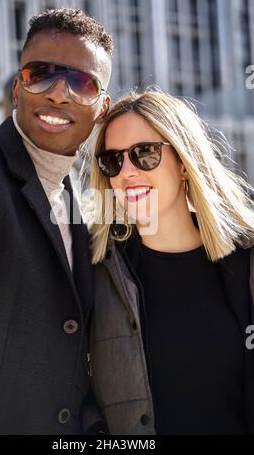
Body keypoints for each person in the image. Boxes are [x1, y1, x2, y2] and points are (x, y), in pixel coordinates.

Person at [0, 7, 112, 434]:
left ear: (102, 108)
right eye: (40, 73)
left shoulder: (80, 197)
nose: (59, 94)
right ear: (17, 89)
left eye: (82, 83)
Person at [87, 90, 254, 435]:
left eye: (144, 153)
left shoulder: (247, 263)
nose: (127, 173)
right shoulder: (94, 270)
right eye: (113, 160)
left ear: (182, 163)